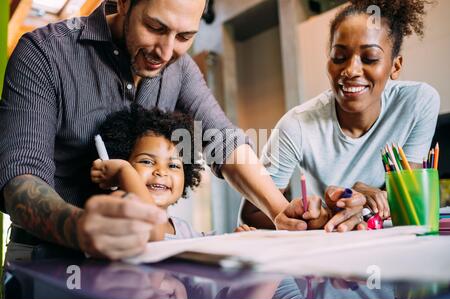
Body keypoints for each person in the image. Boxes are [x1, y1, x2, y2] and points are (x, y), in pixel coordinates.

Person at [1, 0, 327, 262]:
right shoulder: (44, 53)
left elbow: (223, 142)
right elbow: (21, 179)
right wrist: (80, 228)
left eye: (185, 37)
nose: (167, 52)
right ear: (124, 4)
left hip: (133, 263)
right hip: (46, 258)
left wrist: (279, 211)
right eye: (156, 28)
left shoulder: (179, 68)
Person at [241, 0, 440, 232]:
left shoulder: (418, 102)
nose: (351, 70)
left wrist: (365, 201)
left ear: (395, 66)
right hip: (334, 244)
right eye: (339, 57)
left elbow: (410, 196)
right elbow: (252, 213)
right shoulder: (296, 125)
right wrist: (320, 215)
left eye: (369, 58)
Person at [91, 105, 255, 243]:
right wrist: (123, 171)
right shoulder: (118, 219)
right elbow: (150, 224)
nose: (161, 171)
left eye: (173, 165)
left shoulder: (185, 230)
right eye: (147, 161)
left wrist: (237, 243)